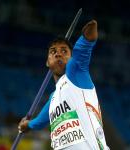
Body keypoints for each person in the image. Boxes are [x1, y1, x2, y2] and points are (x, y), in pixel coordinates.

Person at [18, 20, 110, 150]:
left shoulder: (76, 72)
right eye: (53, 51)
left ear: (71, 58)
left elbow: (85, 45)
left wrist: (87, 37)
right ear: (47, 62)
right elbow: (40, 121)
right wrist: (27, 125)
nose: (58, 53)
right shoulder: (54, 98)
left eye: (64, 51)